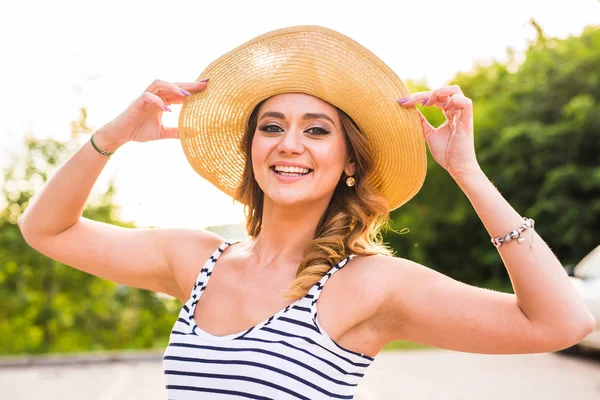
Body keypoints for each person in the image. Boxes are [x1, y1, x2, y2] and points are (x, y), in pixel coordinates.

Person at [18, 25, 594, 399]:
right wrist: (113, 136)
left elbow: (562, 323)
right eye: (272, 127)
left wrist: (467, 173)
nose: (289, 143)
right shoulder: (194, 258)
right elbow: (46, 228)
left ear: (347, 162)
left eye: (317, 131)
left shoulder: (372, 284)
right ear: (252, 150)